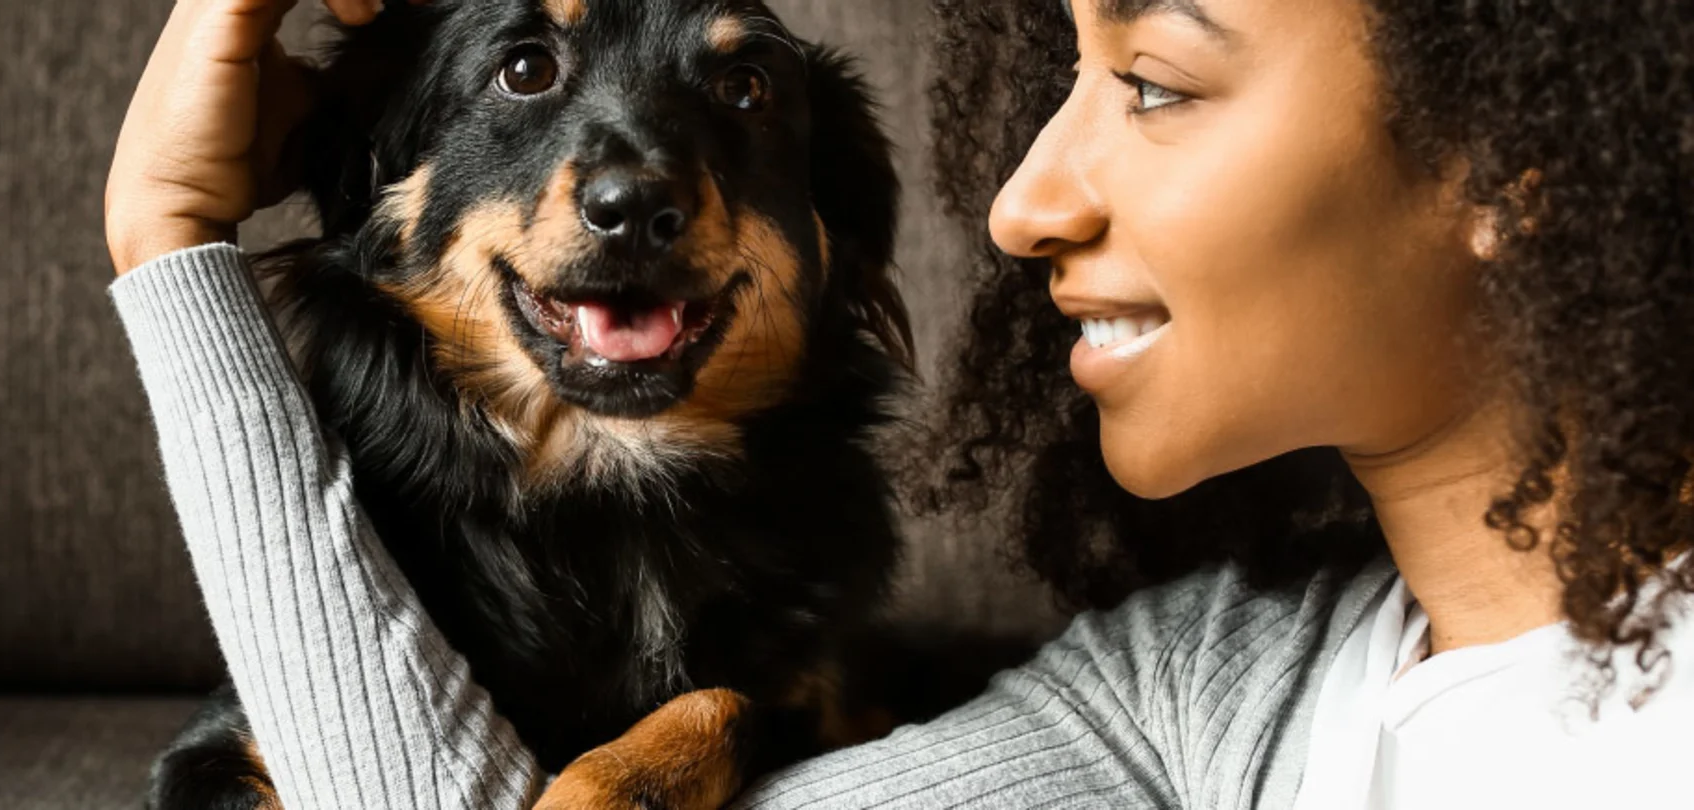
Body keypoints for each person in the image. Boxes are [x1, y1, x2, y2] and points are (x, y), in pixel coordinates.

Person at [102, 0, 1694, 807]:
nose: (1014, 205)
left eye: (1151, 83)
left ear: (1509, 149)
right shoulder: (1195, 690)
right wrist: (172, 257)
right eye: (1059, 79)